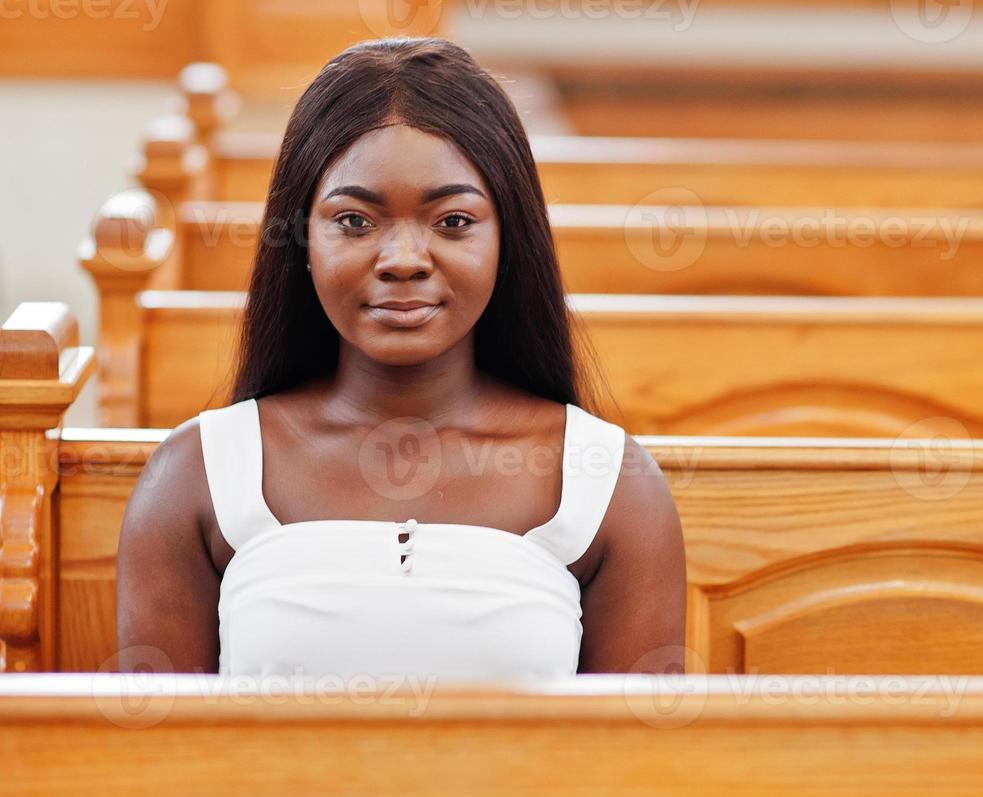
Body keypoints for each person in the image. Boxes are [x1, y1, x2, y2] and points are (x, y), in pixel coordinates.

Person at [115, 38, 686, 678]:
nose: (404, 259)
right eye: (356, 222)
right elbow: (156, 765)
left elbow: (636, 769)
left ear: (508, 237)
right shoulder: (197, 474)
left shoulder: (605, 480)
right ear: (301, 237)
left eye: (453, 222)